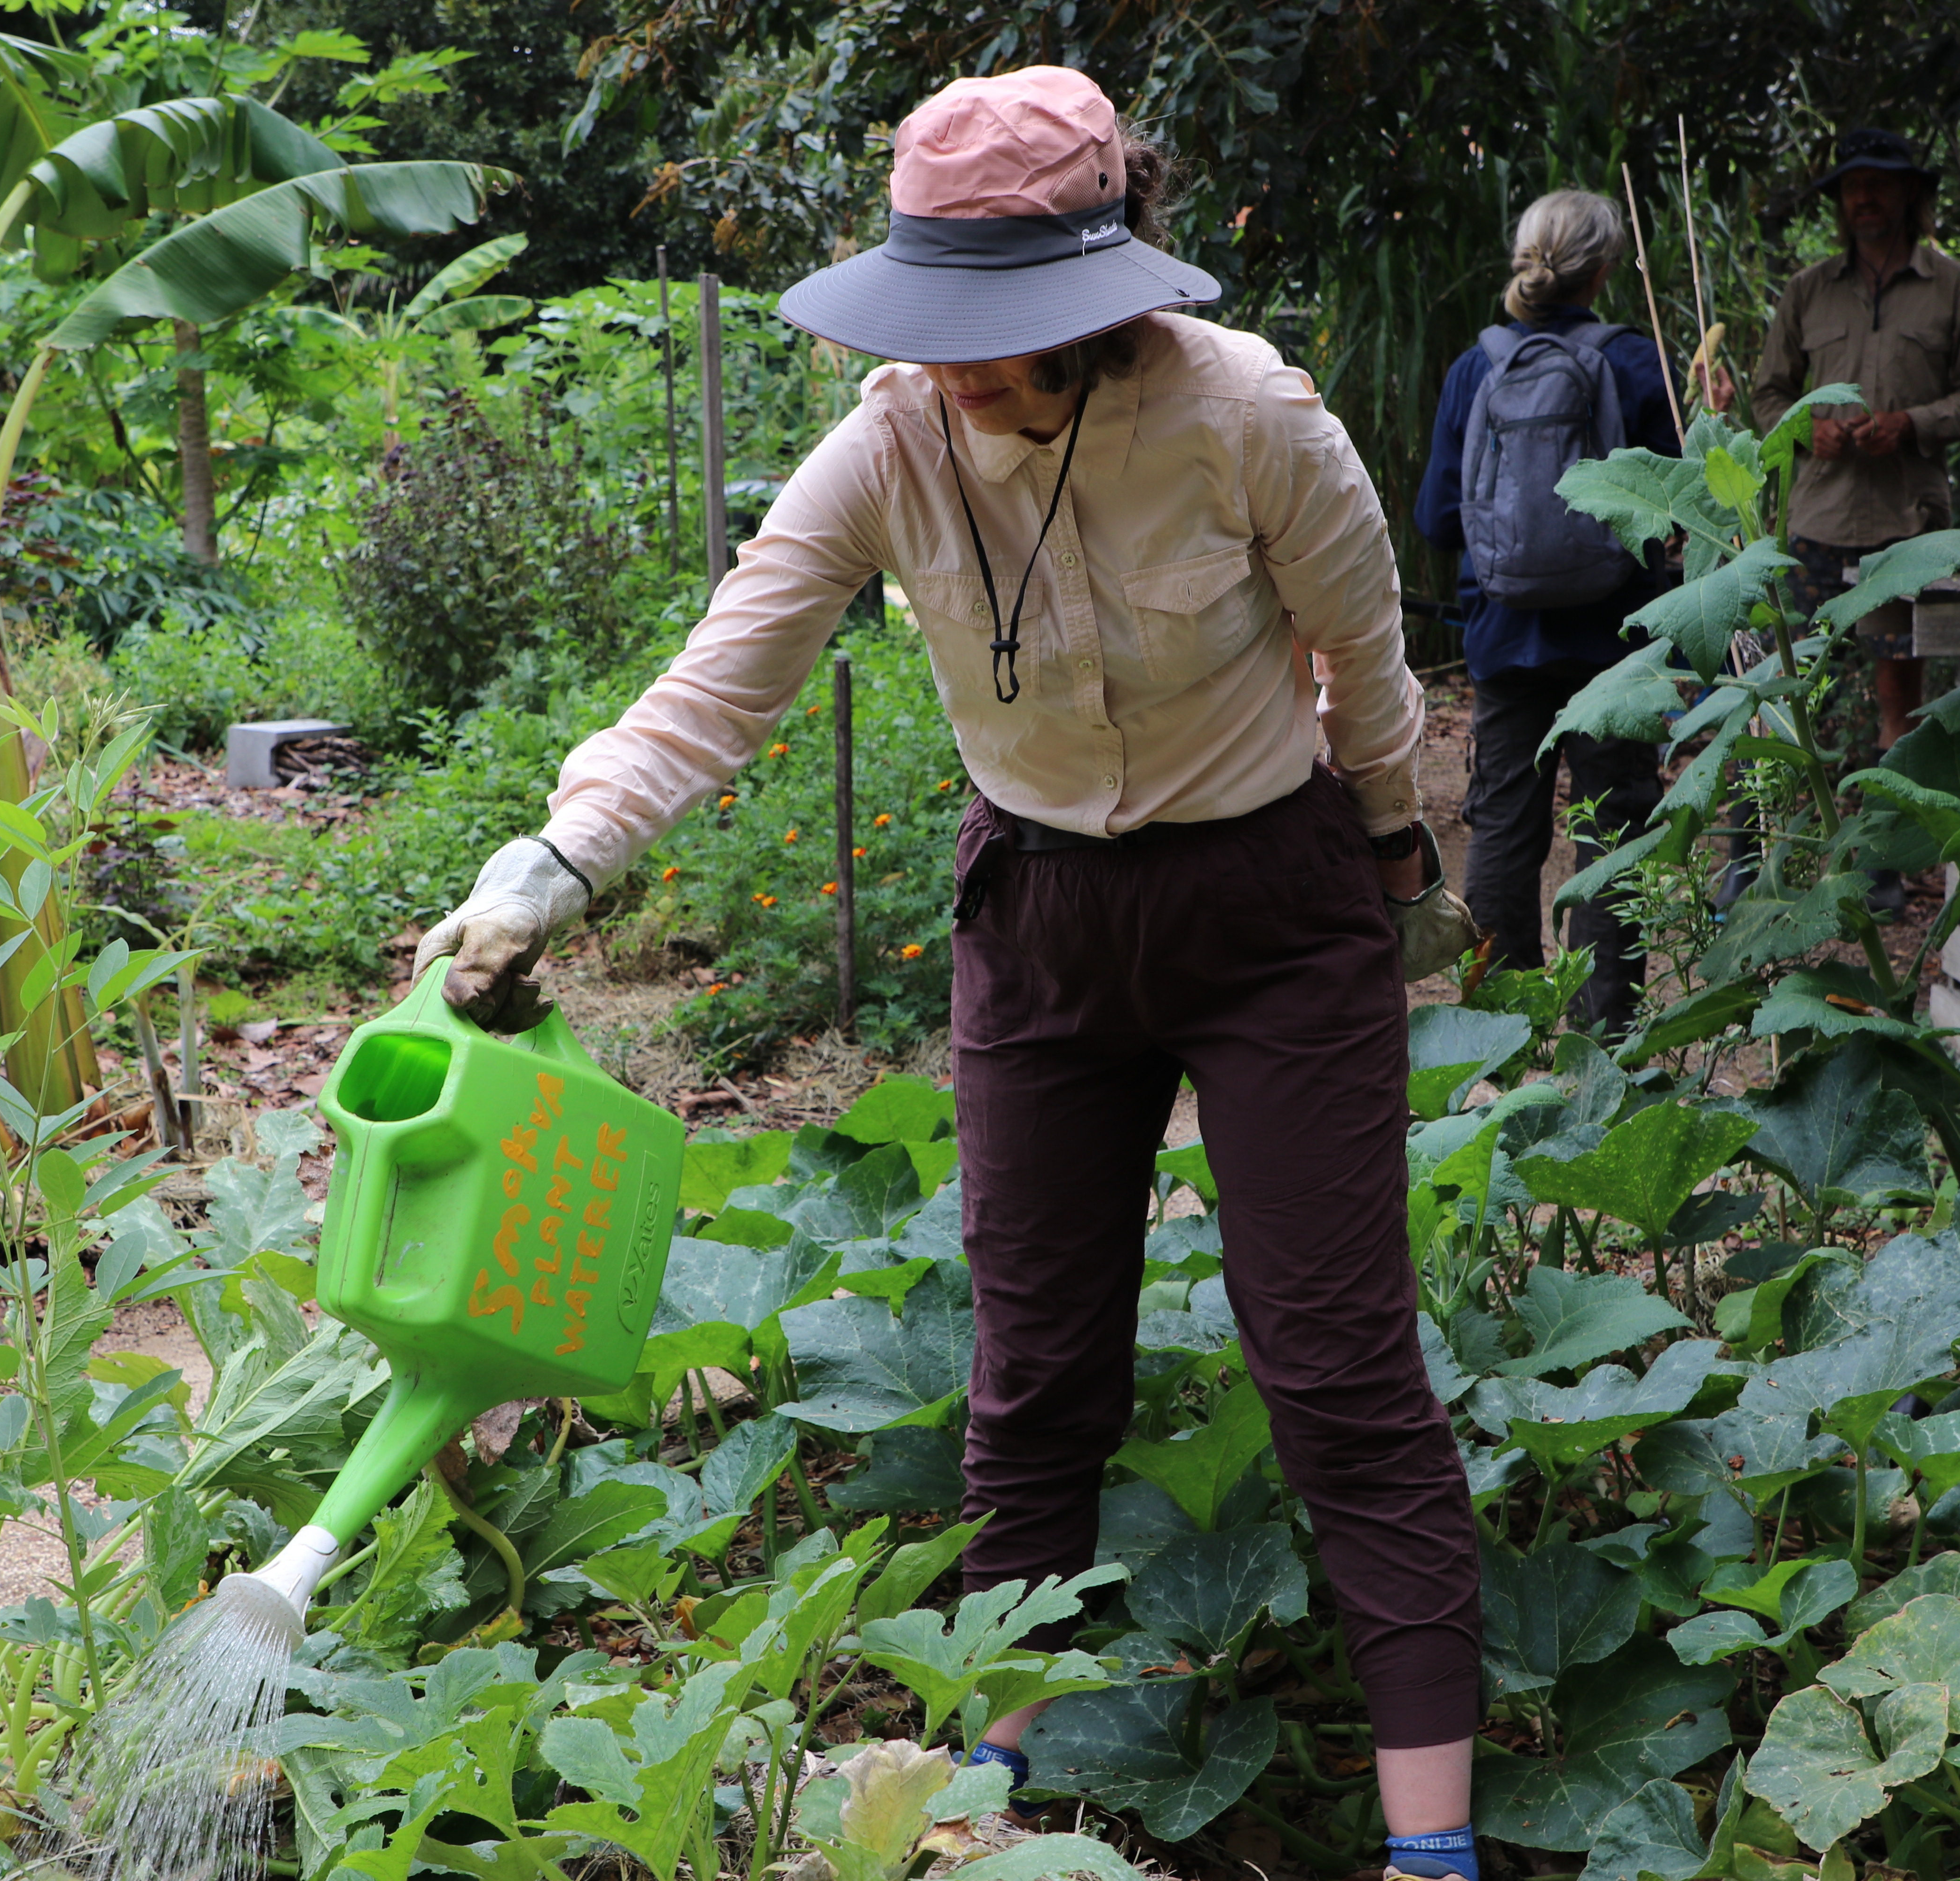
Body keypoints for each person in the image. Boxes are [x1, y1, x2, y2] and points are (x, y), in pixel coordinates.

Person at [410, 65, 1488, 1881]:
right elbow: (718, 685)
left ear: (1110, 300)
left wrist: (1402, 866)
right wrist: (553, 867)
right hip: (1044, 918)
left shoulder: (1252, 421)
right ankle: (995, 1814)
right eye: (941, 326)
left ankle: (1432, 1848)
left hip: (1272, 910)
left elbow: (1365, 672)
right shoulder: (890, 440)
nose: (962, 368)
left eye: (1008, 332)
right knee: (1032, 1367)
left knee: (1335, 1365)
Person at [1415, 190, 1675, 1036]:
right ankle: (1609, 1043)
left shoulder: (1476, 368)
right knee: (1616, 837)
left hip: (1504, 642)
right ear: (1603, 271)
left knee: (1500, 833)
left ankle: (1500, 1032)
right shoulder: (1638, 365)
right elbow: (1675, 509)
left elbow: (1437, 521)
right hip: (1617, 648)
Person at [1722, 127, 1960, 915]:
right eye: (1850, 186)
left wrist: (1910, 424)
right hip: (1816, 520)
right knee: (1780, 688)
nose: (1863, 197)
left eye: (1878, 183)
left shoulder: (1954, 287)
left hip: (1907, 527)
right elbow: (1769, 394)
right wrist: (1808, 431)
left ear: (1910, 192)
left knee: (1897, 697)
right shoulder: (1808, 290)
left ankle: (1881, 867)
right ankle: (1753, 859)